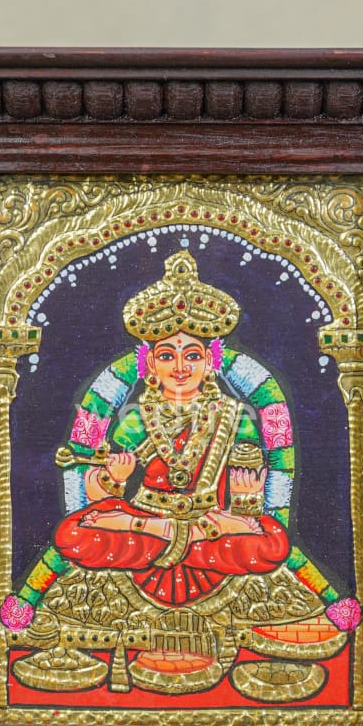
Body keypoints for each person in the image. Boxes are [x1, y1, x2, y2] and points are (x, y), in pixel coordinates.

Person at [53, 250, 291, 607]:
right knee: (72, 535)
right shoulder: (136, 416)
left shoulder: (233, 414)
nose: (180, 367)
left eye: (192, 355)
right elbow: (100, 492)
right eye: (167, 355)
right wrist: (115, 478)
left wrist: (245, 501)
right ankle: (179, 537)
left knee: (273, 545)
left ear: (209, 362)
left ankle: (177, 538)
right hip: (152, 520)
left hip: (209, 521)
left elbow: (248, 488)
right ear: (150, 363)